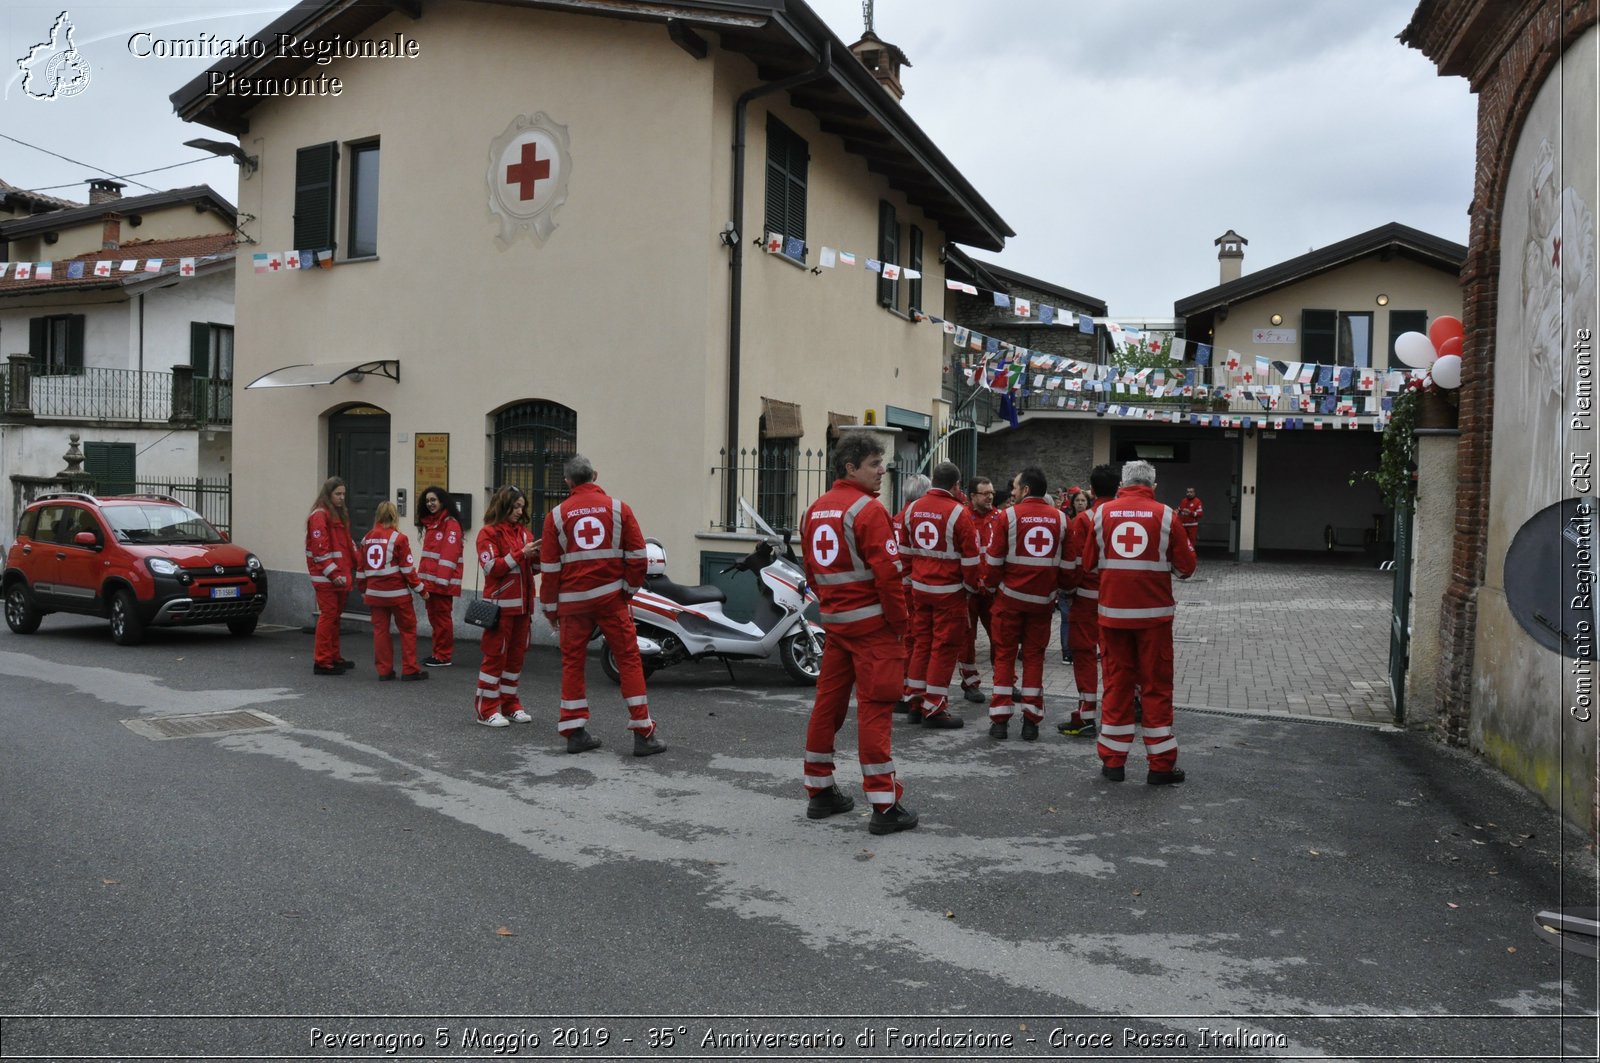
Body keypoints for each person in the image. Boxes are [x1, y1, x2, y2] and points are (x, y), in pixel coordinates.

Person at [799, 432, 917, 835]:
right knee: (875, 709)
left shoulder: (813, 510)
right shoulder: (869, 510)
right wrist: (901, 625)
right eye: (873, 464)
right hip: (872, 629)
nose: (882, 471)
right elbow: (890, 577)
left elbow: (811, 572)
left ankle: (819, 790)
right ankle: (885, 806)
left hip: (835, 624)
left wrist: (833, 606)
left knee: (827, 706)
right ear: (850, 467)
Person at [1079, 460, 1198, 785]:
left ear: (1122, 484)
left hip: (1112, 617)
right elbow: (1187, 567)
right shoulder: (1166, 515)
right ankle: (1160, 766)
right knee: (1155, 688)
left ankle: (1113, 763)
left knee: (1117, 686)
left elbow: (1088, 563)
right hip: (1154, 620)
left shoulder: (1101, 514)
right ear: (1153, 486)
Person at [539, 455, 664, 756]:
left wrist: (550, 609)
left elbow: (550, 568)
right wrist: (627, 591)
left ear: (568, 482)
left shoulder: (555, 516)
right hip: (611, 600)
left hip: (572, 605)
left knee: (572, 663)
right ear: (594, 475)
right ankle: (642, 734)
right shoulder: (620, 509)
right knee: (629, 660)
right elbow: (637, 558)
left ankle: (574, 731)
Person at [982, 465, 1070, 741]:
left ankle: (999, 721)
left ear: (1027, 490)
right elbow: (1069, 568)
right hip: (1042, 604)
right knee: (1034, 659)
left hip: (1009, 601)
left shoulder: (1008, 517)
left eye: (1016, 488)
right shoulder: (1062, 519)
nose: (1012, 492)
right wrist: (1061, 590)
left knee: (1005, 658)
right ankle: (1031, 722)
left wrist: (989, 585)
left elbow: (993, 562)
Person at [900, 461, 979, 729]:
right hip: (950, 593)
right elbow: (971, 559)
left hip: (921, 591)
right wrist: (970, 588)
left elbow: (905, 554)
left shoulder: (912, 510)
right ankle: (934, 707)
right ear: (956, 485)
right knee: (943, 649)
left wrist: (914, 579)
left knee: (921, 644)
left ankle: (914, 701)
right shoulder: (959, 513)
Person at [1059, 466, 1118, 737]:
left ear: (1092, 491)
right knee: (1119, 657)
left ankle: (1086, 715)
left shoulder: (1085, 520)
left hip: (1086, 598)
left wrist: (1068, 590)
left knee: (1084, 655)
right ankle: (1125, 709)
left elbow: (1075, 563)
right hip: (1119, 601)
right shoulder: (1123, 516)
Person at [474, 486, 538, 728]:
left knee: (515, 660)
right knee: (494, 659)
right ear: (503, 506)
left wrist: (538, 558)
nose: (520, 511)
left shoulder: (524, 533)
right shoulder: (487, 533)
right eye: (516, 506)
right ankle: (485, 709)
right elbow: (493, 568)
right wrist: (522, 553)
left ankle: (510, 705)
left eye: (522, 506)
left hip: (523, 609)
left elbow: (530, 569)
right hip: (500, 610)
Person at [356, 500, 429, 681]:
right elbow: (407, 570)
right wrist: (422, 590)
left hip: (375, 595)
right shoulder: (399, 538)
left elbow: (360, 569)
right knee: (407, 630)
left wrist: (364, 591)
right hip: (397, 595)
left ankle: (384, 671)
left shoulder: (366, 538)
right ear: (394, 516)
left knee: (381, 632)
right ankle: (410, 669)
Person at [305, 476, 358, 676]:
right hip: (326, 577)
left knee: (334, 617)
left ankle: (334, 657)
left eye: (344, 494)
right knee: (329, 617)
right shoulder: (320, 515)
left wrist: (357, 565)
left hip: (338, 575)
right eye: (338, 494)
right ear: (328, 495)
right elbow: (321, 551)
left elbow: (347, 544)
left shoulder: (337, 514)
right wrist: (334, 574)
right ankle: (322, 661)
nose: (342, 498)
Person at [957, 476, 999, 703]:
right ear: (972, 496)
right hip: (969, 590)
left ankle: (1005, 682)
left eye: (991, 492)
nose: (990, 496)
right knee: (967, 638)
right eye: (985, 493)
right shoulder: (963, 518)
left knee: (1000, 637)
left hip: (992, 590)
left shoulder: (999, 518)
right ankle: (970, 683)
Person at [893, 473, 931, 720]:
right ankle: (911, 693)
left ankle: (901, 690)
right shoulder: (915, 519)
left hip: (898, 586)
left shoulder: (895, 518)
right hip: (914, 588)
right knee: (917, 642)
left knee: (905, 640)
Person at [416, 486, 464, 668]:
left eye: (433, 500)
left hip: (441, 584)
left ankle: (443, 656)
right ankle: (438, 653)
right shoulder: (433, 523)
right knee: (435, 620)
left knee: (442, 620)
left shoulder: (449, 524)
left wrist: (441, 583)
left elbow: (449, 555)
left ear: (442, 501)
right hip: (431, 583)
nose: (430, 504)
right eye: (427, 501)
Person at [1057, 488, 1089, 664]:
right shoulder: (1067, 522)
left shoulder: (1091, 521)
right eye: (1077, 500)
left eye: (1084, 500)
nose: (1080, 503)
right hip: (1068, 575)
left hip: (1084, 577)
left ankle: (1081, 648)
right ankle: (1067, 651)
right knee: (1067, 617)